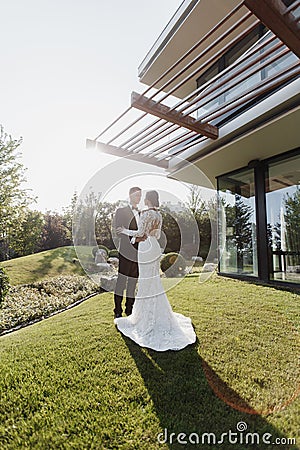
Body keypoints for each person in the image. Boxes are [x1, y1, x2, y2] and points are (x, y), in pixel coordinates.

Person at [114, 190, 196, 351]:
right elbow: (157, 235)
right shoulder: (159, 215)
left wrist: (124, 231)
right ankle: (149, 312)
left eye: (144, 197)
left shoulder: (145, 213)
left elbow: (139, 233)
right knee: (153, 281)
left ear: (147, 199)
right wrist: (142, 236)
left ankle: (143, 317)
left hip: (144, 247)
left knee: (145, 281)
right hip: (154, 247)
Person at [113, 187, 145, 318]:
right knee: (122, 281)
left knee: (133, 281)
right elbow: (118, 232)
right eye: (137, 195)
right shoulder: (121, 211)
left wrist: (140, 238)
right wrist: (134, 239)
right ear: (130, 195)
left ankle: (129, 309)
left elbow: (142, 232)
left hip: (139, 252)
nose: (139, 198)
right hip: (126, 251)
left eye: (140, 195)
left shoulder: (142, 213)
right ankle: (117, 310)